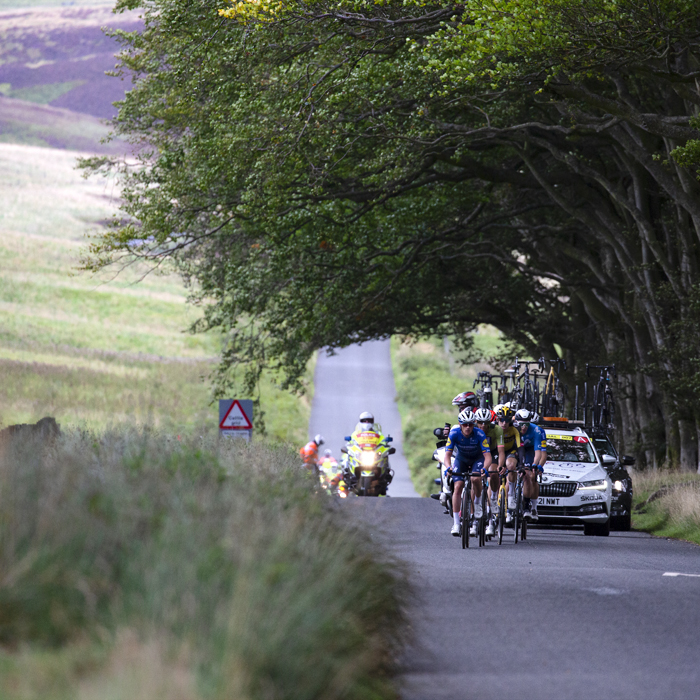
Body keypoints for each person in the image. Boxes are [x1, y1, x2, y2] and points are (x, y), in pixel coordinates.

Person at [444, 409, 492, 536]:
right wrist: (449, 467)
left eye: (470, 424)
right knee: (458, 486)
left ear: (473, 424)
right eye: (465, 424)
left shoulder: (480, 434)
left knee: (475, 479)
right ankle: (456, 523)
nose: (468, 427)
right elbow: (447, 455)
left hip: (477, 459)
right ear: (460, 424)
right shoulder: (454, 433)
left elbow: (488, 456)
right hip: (461, 460)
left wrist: (485, 468)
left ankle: (476, 508)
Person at [514, 409, 547, 520]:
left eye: (526, 424)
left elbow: (540, 453)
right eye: (521, 424)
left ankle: (532, 506)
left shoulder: (537, 431)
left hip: (530, 451)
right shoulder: (511, 427)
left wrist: (536, 465)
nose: (523, 427)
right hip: (516, 449)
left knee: (531, 475)